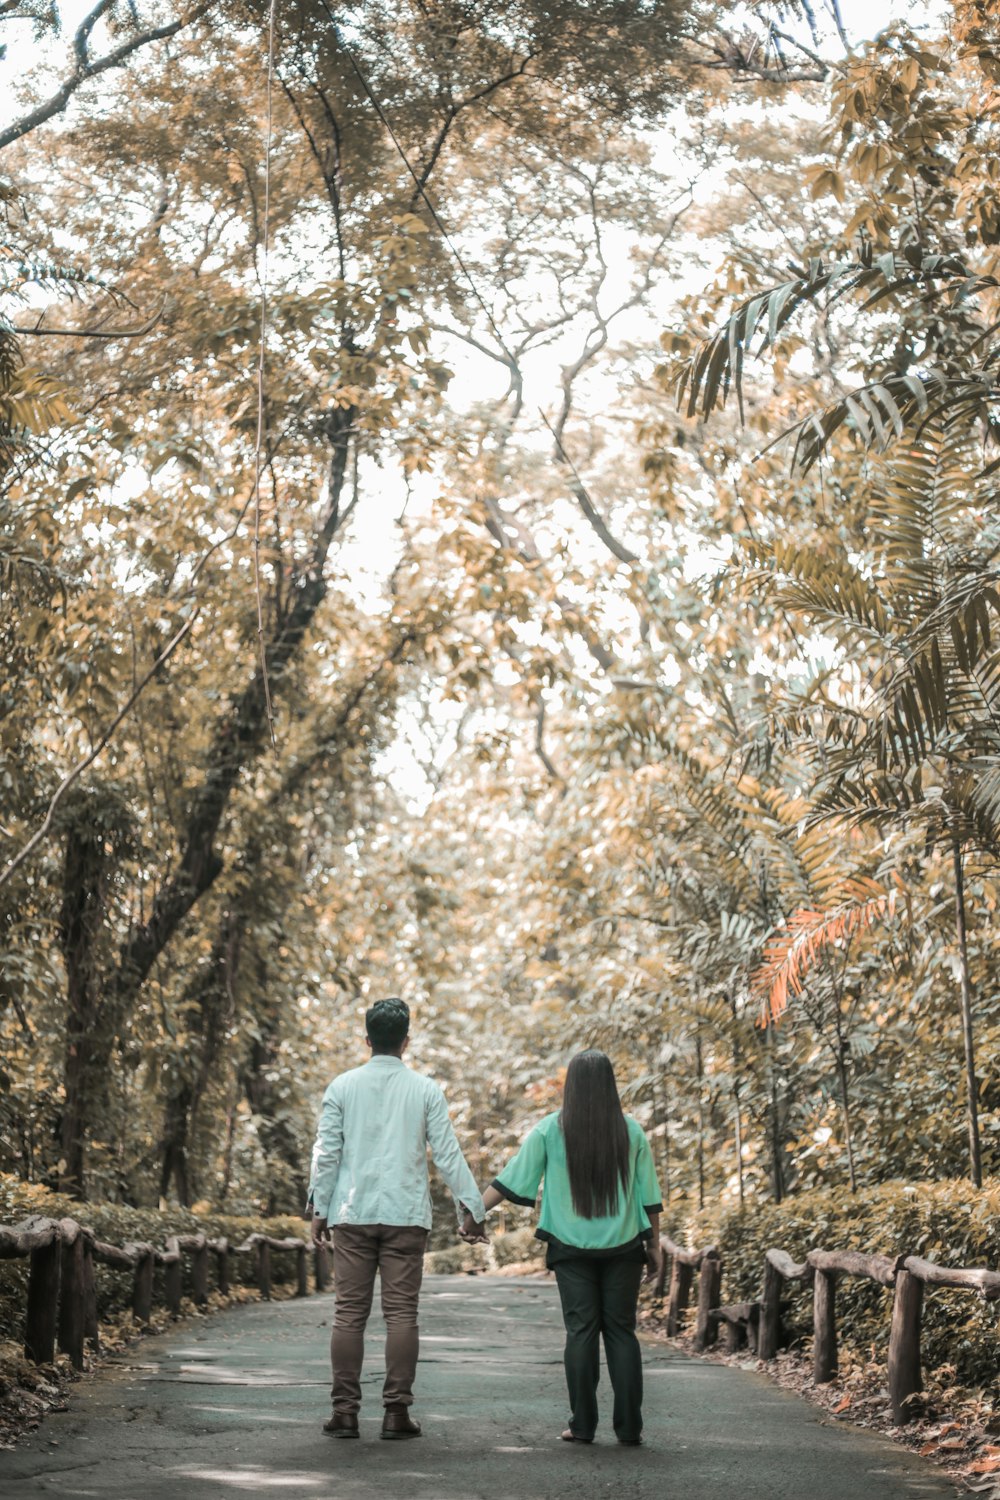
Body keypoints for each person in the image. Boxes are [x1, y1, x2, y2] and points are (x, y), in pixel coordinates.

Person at [308, 997, 486, 1440]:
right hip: (406, 1216)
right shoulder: (425, 1089)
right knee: (402, 1314)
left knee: (349, 1314)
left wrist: (319, 1209)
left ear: (367, 1039)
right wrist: (472, 1210)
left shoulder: (342, 1087)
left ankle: (345, 1413)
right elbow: (447, 1154)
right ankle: (396, 1414)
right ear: (406, 1040)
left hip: (353, 1213)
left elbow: (326, 1154)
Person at [465, 1049, 662, 1446]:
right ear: (610, 1085)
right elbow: (650, 1198)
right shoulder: (632, 1131)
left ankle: (583, 1426)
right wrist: (653, 1245)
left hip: (571, 1251)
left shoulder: (549, 1130)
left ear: (571, 1086)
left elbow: (510, 1179)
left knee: (581, 1332)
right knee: (622, 1333)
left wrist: (473, 1215)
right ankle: (629, 1429)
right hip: (624, 1247)